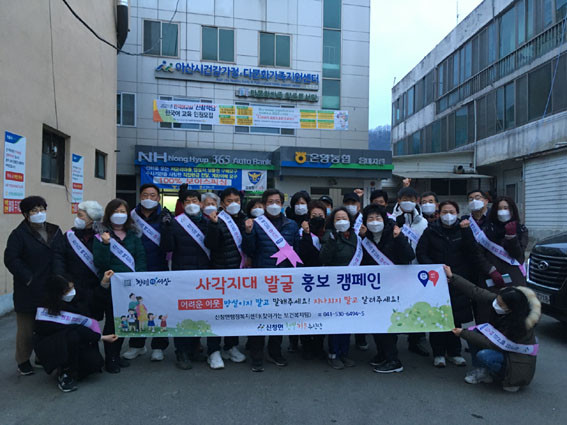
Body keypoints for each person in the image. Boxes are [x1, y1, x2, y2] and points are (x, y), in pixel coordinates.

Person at [444, 265, 541, 392]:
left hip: (516, 362)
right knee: (475, 332)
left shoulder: (521, 326)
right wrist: (453, 277)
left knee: (484, 354)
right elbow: (476, 291)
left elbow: (492, 344)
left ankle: (508, 378)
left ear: (511, 309)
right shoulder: (506, 304)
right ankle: (483, 372)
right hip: (503, 350)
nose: (496, 304)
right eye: (497, 300)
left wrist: (463, 333)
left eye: (501, 304)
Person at [416, 201, 481, 368]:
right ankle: (438, 353)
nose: (448, 215)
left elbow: (473, 253)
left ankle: (454, 352)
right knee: (437, 317)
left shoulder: (463, 229)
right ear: (439, 213)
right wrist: (435, 270)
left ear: (457, 212)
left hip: (458, 279)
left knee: (455, 318)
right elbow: (421, 252)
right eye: (445, 212)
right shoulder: (431, 230)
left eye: (451, 211)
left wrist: (466, 232)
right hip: (436, 280)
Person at [4, 196, 64, 376]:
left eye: (41, 209)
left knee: (47, 325)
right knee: (27, 329)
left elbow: (60, 254)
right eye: (34, 210)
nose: (39, 213)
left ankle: (42, 355)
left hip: (50, 287)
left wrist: (59, 277)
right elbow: (11, 259)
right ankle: (23, 360)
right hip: (28, 289)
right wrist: (28, 278)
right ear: (25, 214)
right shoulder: (18, 234)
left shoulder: (55, 230)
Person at [242, 189, 300, 372]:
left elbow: (297, 250)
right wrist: (248, 233)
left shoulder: (291, 225)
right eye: (270, 202)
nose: (274, 205)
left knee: (279, 317)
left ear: (282, 204)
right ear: (264, 204)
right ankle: (256, 355)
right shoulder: (257, 224)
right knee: (259, 317)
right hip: (262, 277)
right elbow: (249, 250)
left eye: (277, 201)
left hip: (284, 278)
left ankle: (275, 352)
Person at [34, 274, 118, 392]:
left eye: (72, 287)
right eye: (67, 290)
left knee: (95, 364)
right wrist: (101, 337)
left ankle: (74, 369)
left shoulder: (78, 298)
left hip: (80, 341)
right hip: (56, 346)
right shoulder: (45, 309)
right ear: (57, 293)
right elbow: (70, 329)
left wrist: (104, 284)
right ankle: (65, 372)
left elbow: (94, 302)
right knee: (72, 336)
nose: (71, 292)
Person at [93, 198, 147, 373]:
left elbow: (140, 258)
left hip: (130, 286)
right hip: (112, 285)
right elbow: (100, 262)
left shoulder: (133, 234)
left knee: (125, 321)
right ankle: (110, 358)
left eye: (123, 212)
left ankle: (116, 354)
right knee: (112, 321)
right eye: (116, 212)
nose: (119, 215)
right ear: (109, 214)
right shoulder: (101, 235)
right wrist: (105, 244)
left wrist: (139, 278)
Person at [359, 205, 415, 373]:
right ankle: (382, 354)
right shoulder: (366, 238)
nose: (374, 222)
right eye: (370, 219)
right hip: (373, 289)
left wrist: (399, 238)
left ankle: (393, 360)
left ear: (384, 219)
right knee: (376, 322)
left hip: (393, 288)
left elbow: (409, 256)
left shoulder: (394, 234)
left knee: (388, 323)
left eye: (378, 218)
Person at [161, 189, 210, 370]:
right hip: (182, 274)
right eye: (187, 201)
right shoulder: (175, 223)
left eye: (194, 200)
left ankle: (195, 346)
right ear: (182, 204)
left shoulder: (207, 222)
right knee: (182, 312)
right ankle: (181, 351)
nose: (191, 204)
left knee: (199, 312)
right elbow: (168, 247)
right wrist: (166, 228)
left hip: (203, 274)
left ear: (201, 203)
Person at [122, 184, 171, 363]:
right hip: (136, 267)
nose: (148, 198)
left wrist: (167, 226)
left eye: (152, 195)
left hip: (159, 267)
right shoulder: (131, 217)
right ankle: (137, 345)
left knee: (159, 307)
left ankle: (158, 346)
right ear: (140, 197)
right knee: (137, 308)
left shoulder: (166, 217)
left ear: (158, 198)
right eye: (145, 195)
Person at [204, 187, 248, 369]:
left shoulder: (245, 220)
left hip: (239, 274)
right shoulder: (217, 219)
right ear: (222, 203)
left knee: (234, 312)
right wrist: (214, 225)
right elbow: (210, 244)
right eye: (229, 201)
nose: (233, 204)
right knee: (216, 313)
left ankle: (231, 346)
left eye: (236, 200)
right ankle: (213, 350)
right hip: (220, 273)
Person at [320, 207, 359, 370]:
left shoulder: (356, 237)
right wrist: (332, 241)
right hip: (335, 285)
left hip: (352, 285)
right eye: (338, 219)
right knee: (336, 320)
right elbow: (323, 258)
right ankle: (333, 353)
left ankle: (344, 352)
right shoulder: (329, 236)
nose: (342, 221)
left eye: (345, 218)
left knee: (348, 320)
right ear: (333, 222)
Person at [391, 187, 429, 356]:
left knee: (417, 306)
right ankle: (390, 343)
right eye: (405, 198)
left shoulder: (423, 222)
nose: (408, 202)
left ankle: (417, 340)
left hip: (416, 269)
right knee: (394, 305)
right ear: (398, 200)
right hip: (394, 270)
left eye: (412, 199)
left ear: (417, 201)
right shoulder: (391, 219)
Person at [53, 201, 104, 321]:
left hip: (95, 288)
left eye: (81, 215)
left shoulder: (102, 237)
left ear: (91, 219)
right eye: (77, 215)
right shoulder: (69, 236)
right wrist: (62, 279)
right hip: (73, 286)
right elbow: (58, 258)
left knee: (92, 322)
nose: (77, 218)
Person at [297, 200, 328, 360]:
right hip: (306, 280)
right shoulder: (302, 232)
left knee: (321, 313)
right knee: (305, 313)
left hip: (324, 281)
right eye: (314, 215)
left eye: (320, 215)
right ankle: (306, 345)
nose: (317, 217)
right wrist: (306, 234)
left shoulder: (330, 231)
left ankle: (318, 345)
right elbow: (302, 254)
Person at [476, 196, 528, 288]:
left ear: (512, 210)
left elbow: (517, 254)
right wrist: (491, 270)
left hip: (514, 278)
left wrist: (511, 237)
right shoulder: (487, 230)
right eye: (499, 208)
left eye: (505, 208)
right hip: (491, 278)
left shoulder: (521, 230)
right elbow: (479, 254)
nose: (502, 211)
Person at [284, 190, 311, 352]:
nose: (300, 206)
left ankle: (307, 343)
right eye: (297, 203)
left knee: (307, 309)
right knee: (293, 309)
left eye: (303, 203)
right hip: (292, 270)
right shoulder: (288, 223)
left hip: (309, 270)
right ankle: (293, 341)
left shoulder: (312, 220)